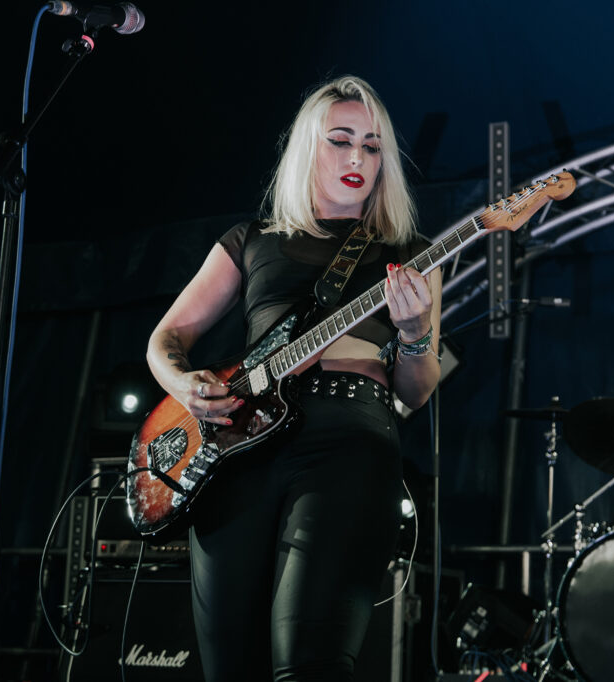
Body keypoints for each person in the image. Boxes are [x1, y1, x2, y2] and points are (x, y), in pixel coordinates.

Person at [145, 75, 441, 681]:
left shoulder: (412, 251)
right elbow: (165, 339)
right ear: (309, 145)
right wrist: (184, 386)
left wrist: (413, 333)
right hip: (238, 447)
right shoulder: (251, 241)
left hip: (349, 441)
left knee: (311, 664)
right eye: (340, 139)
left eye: (372, 144)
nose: (357, 157)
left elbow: (417, 389)